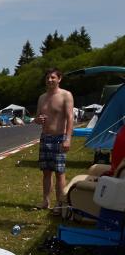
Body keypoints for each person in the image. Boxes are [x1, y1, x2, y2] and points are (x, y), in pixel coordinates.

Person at [33, 68, 74, 212]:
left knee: (59, 172)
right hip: (45, 138)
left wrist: (68, 139)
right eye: (48, 78)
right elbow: (37, 118)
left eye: (53, 77)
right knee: (46, 172)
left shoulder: (66, 95)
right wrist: (37, 119)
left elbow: (70, 118)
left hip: (59, 138)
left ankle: (60, 203)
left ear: (59, 79)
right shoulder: (42, 97)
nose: (50, 80)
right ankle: (45, 201)